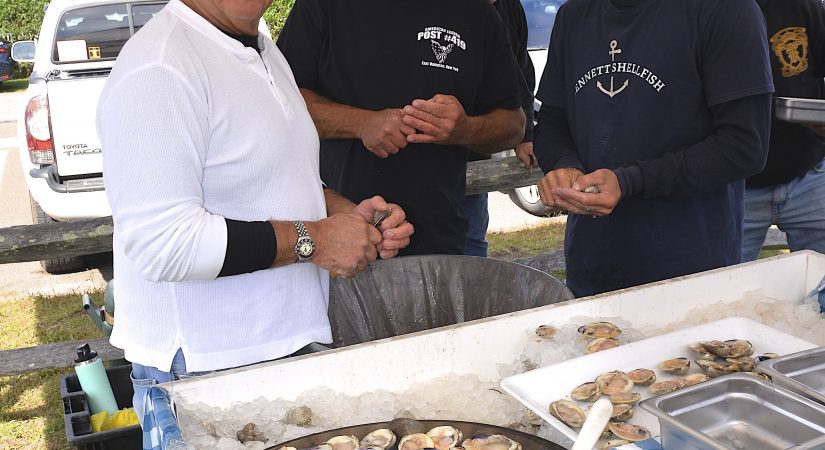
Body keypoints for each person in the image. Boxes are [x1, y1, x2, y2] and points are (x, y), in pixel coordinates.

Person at [95, 0, 414, 428]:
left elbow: (273, 178)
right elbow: (163, 245)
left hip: (277, 358)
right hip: (207, 376)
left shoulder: (259, 45)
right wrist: (316, 240)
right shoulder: (160, 67)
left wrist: (348, 217)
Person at [532, 0, 774, 297]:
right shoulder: (574, 14)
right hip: (591, 269)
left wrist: (629, 181)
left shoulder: (725, 9)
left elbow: (745, 145)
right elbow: (551, 122)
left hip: (690, 279)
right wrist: (562, 164)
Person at [276, 0, 532, 256]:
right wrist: (361, 124)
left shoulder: (477, 14)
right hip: (340, 239)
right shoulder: (323, 6)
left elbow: (513, 124)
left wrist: (466, 129)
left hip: (440, 243)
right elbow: (279, 102)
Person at [741, 0, 825, 266]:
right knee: (718, 296)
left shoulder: (802, 5)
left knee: (820, 291)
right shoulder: (706, 11)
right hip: (734, 190)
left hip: (810, 178)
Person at [462, 0, 537, 257]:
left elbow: (522, 73)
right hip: (430, 154)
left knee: (472, 246)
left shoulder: (510, 7)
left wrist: (525, 135)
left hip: (476, 152)